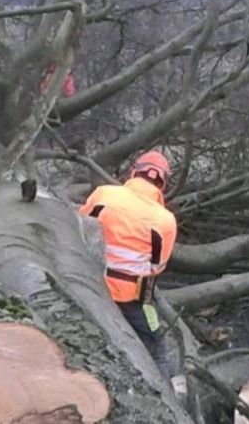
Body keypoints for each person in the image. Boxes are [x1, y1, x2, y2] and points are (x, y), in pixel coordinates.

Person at [79, 150, 177, 378]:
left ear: (134, 171)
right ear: (162, 184)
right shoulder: (164, 220)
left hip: (89, 280)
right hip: (130, 296)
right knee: (157, 346)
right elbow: (158, 266)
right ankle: (166, 396)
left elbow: (79, 225)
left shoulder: (103, 194)